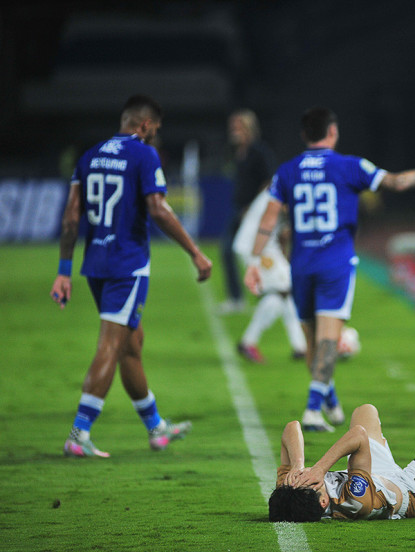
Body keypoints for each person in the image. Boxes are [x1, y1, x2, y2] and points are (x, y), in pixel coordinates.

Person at [244, 107, 415, 432]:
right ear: (332, 132)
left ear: (304, 135)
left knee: (312, 340)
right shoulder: (350, 166)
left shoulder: (287, 171)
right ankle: (313, 409)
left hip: (302, 264)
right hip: (335, 262)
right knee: (327, 340)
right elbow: (398, 182)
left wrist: (254, 261)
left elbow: (269, 219)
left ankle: (329, 400)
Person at [50, 94, 212, 457]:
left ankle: (156, 428)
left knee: (130, 345)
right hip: (128, 265)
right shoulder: (143, 154)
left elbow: (71, 217)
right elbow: (157, 209)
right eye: (155, 129)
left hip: (96, 265)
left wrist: (64, 270)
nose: (155, 135)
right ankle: (79, 434)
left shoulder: (89, 156)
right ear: (144, 125)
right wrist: (195, 251)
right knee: (111, 343)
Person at [269, 403, 415, 521]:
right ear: (324, 503)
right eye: (311, 482)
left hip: (371, 475)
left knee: (364, 411)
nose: (306, 477)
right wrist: (320, 468)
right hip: (410, 489)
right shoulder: (354, 501)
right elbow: (358, 436)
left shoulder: (290, 494)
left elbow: (291, 427)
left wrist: (297, 465)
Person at [233, 186, 306, 363]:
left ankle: (300, 347)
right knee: (283, 290)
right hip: (258, 247)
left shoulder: (277, 187)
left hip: (264, 245)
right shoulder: (282, 190)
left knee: (285, 294)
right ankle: (249, 341)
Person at [217, 109, 276, 315]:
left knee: (255, 252)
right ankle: (238, 298)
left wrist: (254, 207)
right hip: (238, 208)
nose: (234, 130)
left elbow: (269, 181)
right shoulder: (237, 151)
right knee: (228, 251)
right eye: (233, 127)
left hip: (252, 211)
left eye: (238, 126)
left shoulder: (259, 151)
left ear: (248, 128)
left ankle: (266, 294)